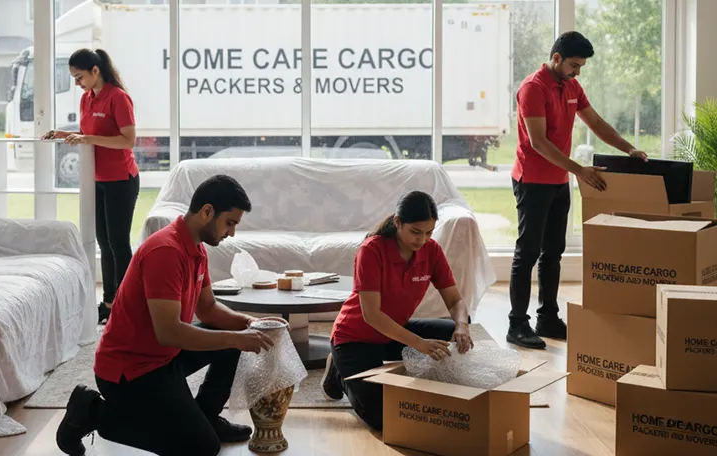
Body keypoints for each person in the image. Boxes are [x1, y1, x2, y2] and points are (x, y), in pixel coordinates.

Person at [55, 175, 282, 456]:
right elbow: (169, 332)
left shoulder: (197, 249)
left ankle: (206, 417)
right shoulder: (165, 251)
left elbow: (208, 309)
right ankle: (93, 412)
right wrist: (237, 339)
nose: (231, 233)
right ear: (207, 211)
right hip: (130, 373)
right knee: (202, 447)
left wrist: (249, 324)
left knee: (231, 345)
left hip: (163, 358)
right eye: (230, 223)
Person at [507, 31, 648, 349]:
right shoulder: (533, 87)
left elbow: (596, 123)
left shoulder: (571, 86)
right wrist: (580, 171)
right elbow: (539, 142)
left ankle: (547, 318)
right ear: (556, 58)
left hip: (559, 181)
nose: (577, 71)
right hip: (532, 181)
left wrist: (629, 149)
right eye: (573, 65)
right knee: (528, 252)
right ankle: (517, 324)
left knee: (553, 252)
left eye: (581, 66)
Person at [320, 190, 474, 431]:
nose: (422, 240)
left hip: (394, 332)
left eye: (428, 232)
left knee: (455, 328)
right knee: (384, 417)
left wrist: (462, 327)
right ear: (397, 222)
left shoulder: (431, 250)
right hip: (355, 339)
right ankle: (339, 375)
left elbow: (455, 301)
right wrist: (419, 344)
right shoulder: (372, 250)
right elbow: (371, 316)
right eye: (415, 232)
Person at [42, 48, 140, 325]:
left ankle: (126, 302)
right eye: (74, 77)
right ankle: (109, 302)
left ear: (96, 71)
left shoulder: (118, 97)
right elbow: (91, 134)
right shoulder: (87, 98)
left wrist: (87, 140)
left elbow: (127, 140)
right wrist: (67, 135)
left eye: (80, 76)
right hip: (97, 180)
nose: (77, 83)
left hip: (121, 179)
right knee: (103, 243)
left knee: (119, 243)